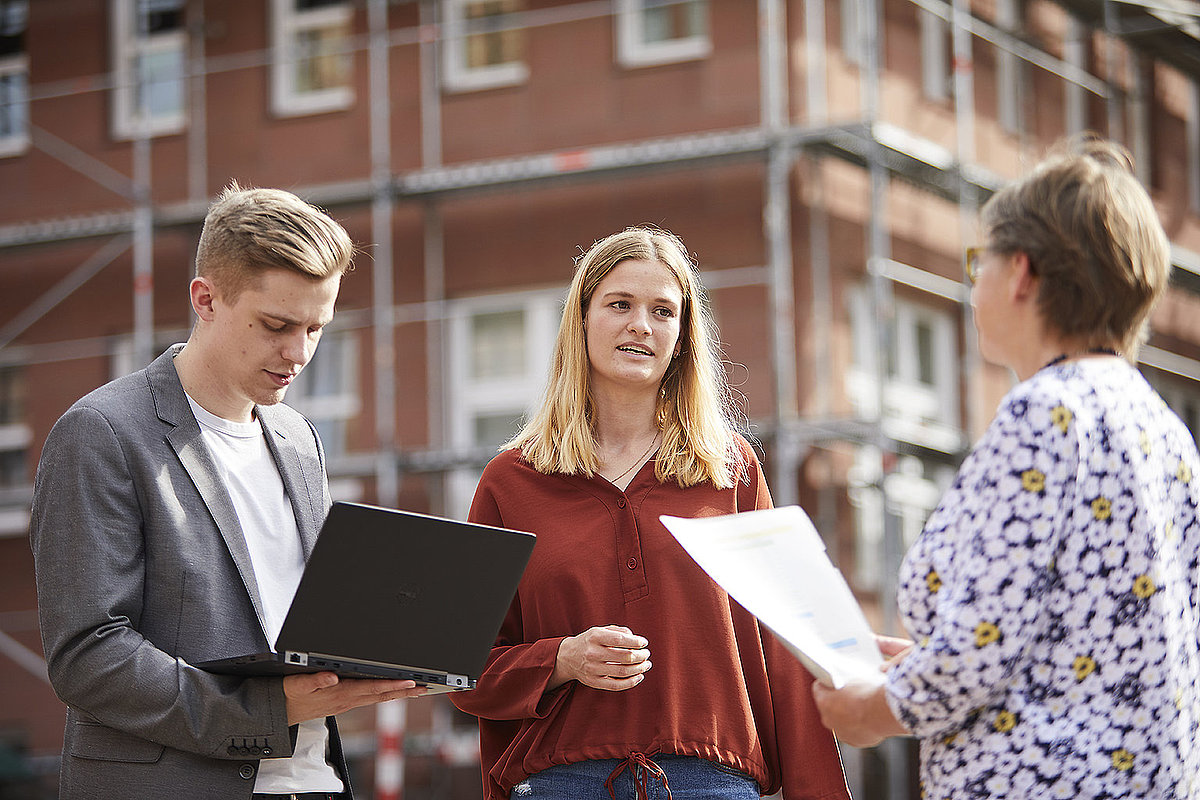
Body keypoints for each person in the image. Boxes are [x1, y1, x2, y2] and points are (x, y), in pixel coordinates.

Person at [811, 136, 1200, 799]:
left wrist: (871, 711)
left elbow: (980, 650)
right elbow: (1077, 640)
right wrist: (923, 669)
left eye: (977, 262)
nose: (973, 283)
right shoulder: (1162, 427)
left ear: (1021, 273)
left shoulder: (1043, 414)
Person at [29, 183, 425, 800]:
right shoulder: (103, 433)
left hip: (315, 781)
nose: (298, 354)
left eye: (317, 329)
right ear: (205, 299)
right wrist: (263, 711)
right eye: (275, 325)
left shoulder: (298, 438)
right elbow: (88, 655)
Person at [451, 226, 850, 800]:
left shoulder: (730, 470)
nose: (641, 324)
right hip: (561, 784)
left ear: (683, 336)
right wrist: (560, 659)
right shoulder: (511, 481)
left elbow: (785, 649)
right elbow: (462, 669)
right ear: (581, 321)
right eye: (620, 304)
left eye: (663, 311)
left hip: (713, 783)